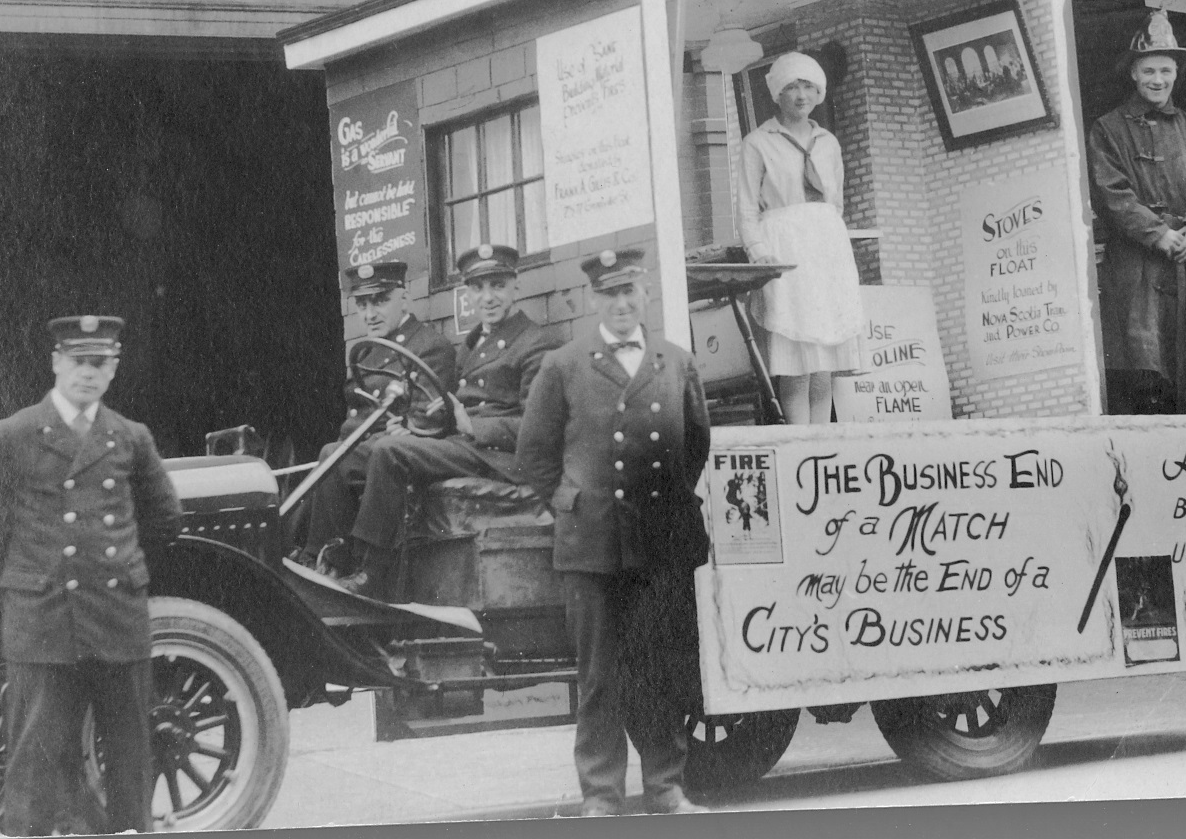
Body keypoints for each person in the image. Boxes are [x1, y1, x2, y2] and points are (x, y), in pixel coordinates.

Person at [0, 316, 184, 835]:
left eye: (99, 363)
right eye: (78, 361)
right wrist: (15, 570)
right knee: (33, 765)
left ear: (113, 368)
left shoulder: (129, 437)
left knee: (129, 763)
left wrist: (121, 568)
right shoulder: (14, 435)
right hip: (43, 625)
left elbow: (166, 519)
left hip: (118, 623)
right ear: (56, 363)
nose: (87, 373)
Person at [517, 247, 712, 816]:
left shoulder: (676, 362)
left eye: (630, 291)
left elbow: (694, 444)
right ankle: (600, 796)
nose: (621, 303)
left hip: (658, 541)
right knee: (599, 677)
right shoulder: (565, 364)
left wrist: (664, 503)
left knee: (657, 666)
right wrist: (570, 502)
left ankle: (666, 787)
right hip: (593, 542)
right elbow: (534, 457)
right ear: (590, 300)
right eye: (609, 294)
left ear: (645, 293)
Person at [336, 244, 563, 599]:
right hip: (465, 446)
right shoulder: (474, 345)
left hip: (499, 458)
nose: (487, 297)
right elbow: (450, 409)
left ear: (516, 286)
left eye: (497, 285)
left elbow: (539, 429)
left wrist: (473, 427)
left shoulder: (537, 342)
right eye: (477, 288)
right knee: (343, 455)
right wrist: (416, 427)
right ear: (468, 293)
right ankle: (329, 560)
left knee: (390, 452)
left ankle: (372, 574)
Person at [1087, 9, 1186, 415]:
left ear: (1176, 74)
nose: (1158, 80)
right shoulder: (1107, 130)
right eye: (1149, 70)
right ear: (1133, 73)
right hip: (1139, 269)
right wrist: (1158, 233)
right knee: (1145, 367)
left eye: (1166, 70)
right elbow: (1111, 193)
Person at [294, 261, 456, 575]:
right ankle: (317, 557)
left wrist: (407, 425)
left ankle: (336, 562)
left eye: (380, 301)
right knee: (327, 459)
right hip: (362, 452)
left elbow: (429, 420)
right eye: (363, 304)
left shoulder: (429, 347)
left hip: (398, 456)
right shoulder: (367, 352)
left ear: (404, 299)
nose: (370, 314)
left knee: (333, 454)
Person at [737, 50, 864, 424]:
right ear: (777, 92)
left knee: (823, 360)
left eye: (808, 86)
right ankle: (798, 443)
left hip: (825, 250)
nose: (801, 95)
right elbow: (746, 209)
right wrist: (758, 251)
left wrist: (826, 238)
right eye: (792, 86)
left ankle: (821, 445)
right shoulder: (757, 143)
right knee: (795, 360)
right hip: (784, 251)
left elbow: (834, 201)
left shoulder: (828, 142)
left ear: (819, 92)